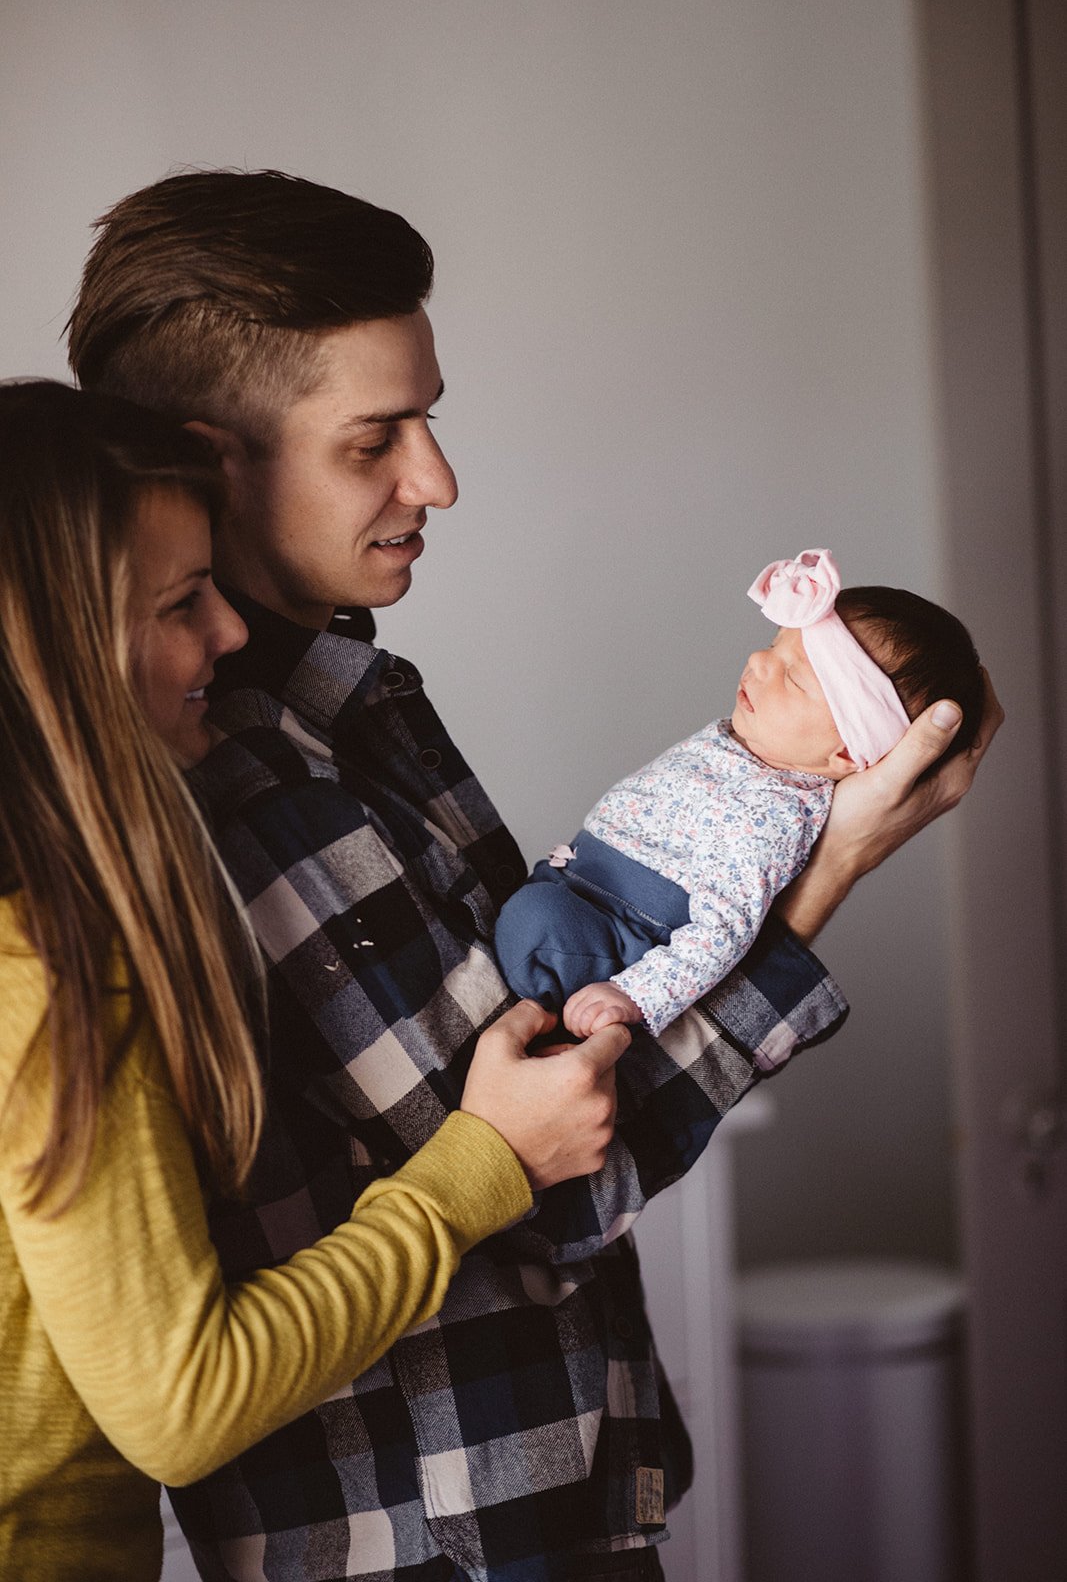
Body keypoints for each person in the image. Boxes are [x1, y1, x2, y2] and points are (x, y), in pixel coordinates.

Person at [66, 168, 1001, 1582]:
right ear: (209, 462)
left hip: (553, 1500)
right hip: (431, 1546)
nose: (435, 479)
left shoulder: (367, 705)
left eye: (427, 421)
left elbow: (558, 1051)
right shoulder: (235, 779)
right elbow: (540, 1174)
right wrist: (829, 870)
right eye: (375, 439)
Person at [0, 380, 631, 1582]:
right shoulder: (43, 961)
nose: (227, 636)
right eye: (182, 604)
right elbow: (183, 1402)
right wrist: (472, 1168)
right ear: (58, 649)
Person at [496, 548, 984, 1039]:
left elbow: (725, 926)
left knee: (534, 924)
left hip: (625, 931)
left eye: (793, 677)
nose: (758, 661)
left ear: (844, 754)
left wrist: (636, 994)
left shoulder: (780, 816)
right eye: (773, 646)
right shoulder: (741, 743)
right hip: (580, 879)